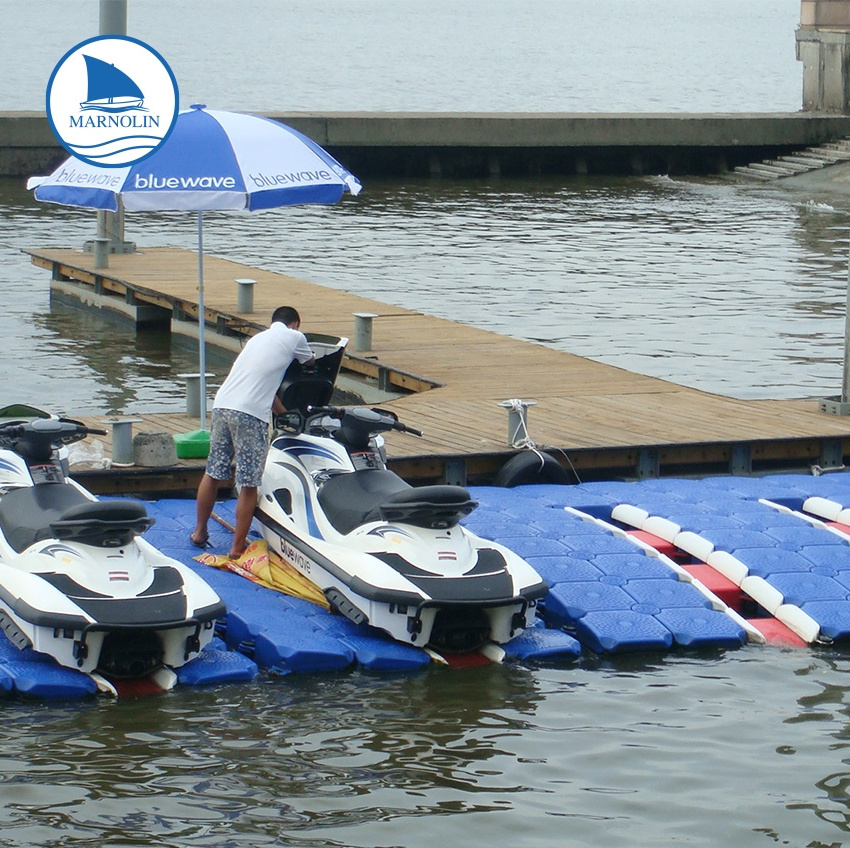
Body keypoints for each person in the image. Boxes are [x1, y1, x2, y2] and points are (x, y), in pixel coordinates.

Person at [190, 305, 315, 558]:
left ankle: (200, 532)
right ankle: (237, 548)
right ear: (294, 324)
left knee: (213, 472)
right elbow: (311, 362)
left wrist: (286, 416)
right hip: (249, 416)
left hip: (223, 405)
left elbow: (264, 390)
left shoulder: (257, 340)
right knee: (249, 483)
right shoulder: (294, 337)